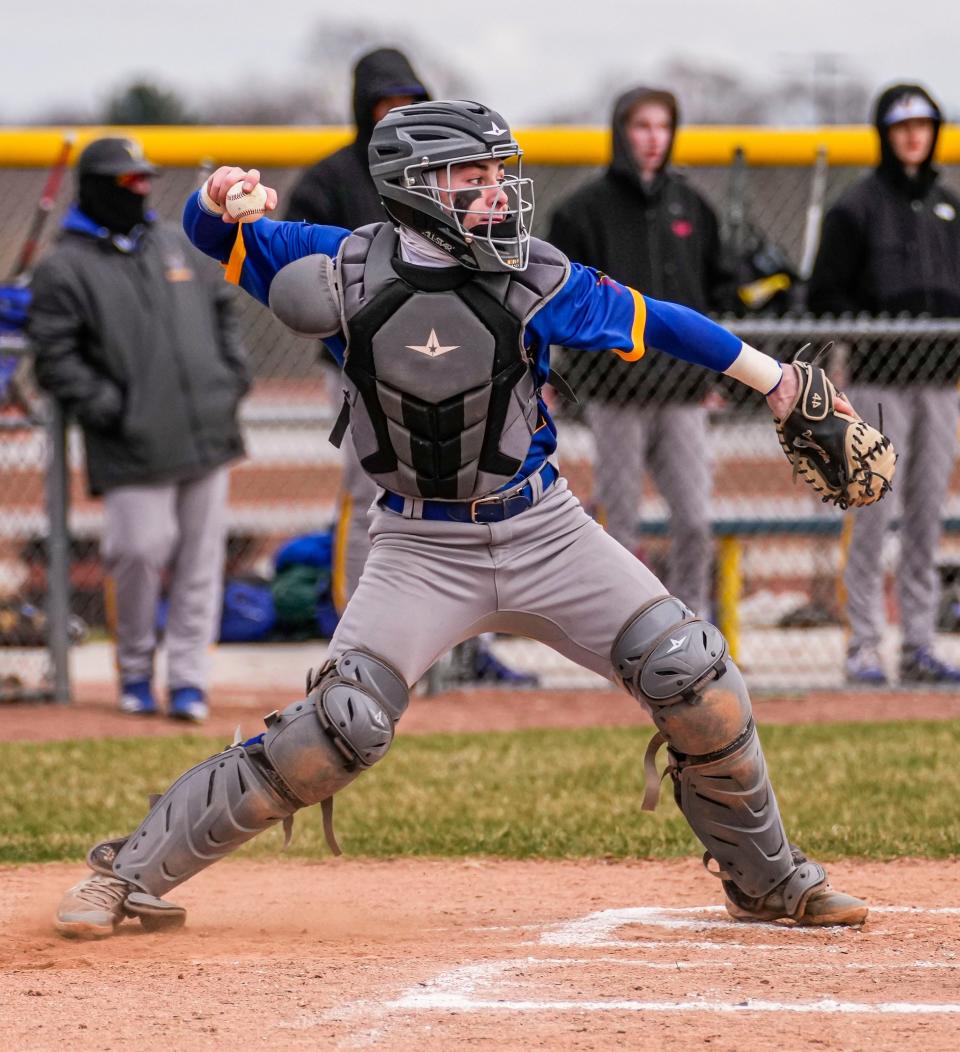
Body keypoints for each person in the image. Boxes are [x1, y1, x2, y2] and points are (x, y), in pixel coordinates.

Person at [54, 101, 867, 939]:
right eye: (473, 180)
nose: (496, 196)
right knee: (335, 729)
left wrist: (773, 381)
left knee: (694, 676)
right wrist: (218, 195)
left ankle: (766, 879)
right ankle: (125, 877)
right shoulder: (338, 267)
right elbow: (212, 232)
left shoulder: (532, 274)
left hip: (545, 530)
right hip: (417, 546)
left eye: (497, 178)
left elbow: (660, 321)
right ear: (415, 188)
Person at [286, 49, 535, 685]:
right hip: (360, 366)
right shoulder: (330, 178)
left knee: (464, 483)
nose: (394, 113)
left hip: (461, 351)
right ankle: (359, 635)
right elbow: (313, 277)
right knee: (372, 487)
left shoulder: (445, 169)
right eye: (382, 103)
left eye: (406, 100)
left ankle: (460, 648)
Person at [29, 137, 249, 722]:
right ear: (100, 187)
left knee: (202, 562)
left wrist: (229, 381)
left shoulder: (174, 243)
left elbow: (224, 311)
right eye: (128, 181)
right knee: (137, 552)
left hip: (205, 429)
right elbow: (54, 355)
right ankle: (133, 671)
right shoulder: (63, 264)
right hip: (130, 442)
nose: (141, 189)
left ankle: (187, 681)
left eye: (145, 178)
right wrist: (113, 409)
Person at [548, 87, 737, 615]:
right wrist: (586, 378)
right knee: (619, 524)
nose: (654, 139)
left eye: (663, 127)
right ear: (620, 131)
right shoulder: (582, 211)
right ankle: (623, 627)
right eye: (642, 127)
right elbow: (563, 303)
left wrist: (715, 376)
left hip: (683, 394)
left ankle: (696, 628)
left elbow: (717, 293)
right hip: (617, 395)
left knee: (695, 519)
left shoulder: (692, 206)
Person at [808, 83, 960, 686]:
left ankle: (918, 644)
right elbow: (824, 297)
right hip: (881, 382)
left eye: (923, 125)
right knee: (874, 513)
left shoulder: (950, 208)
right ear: (885, 135)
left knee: (926, 517)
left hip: (942, 383)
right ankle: (865, 645)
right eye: (901, 127)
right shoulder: (857, 208)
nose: (913, 136)